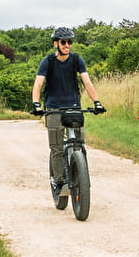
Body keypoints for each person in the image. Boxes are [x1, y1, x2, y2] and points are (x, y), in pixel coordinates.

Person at [31, 26, 105, 197]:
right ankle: (59, 182)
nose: (67, 45)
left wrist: (97, 102)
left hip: (73, 107)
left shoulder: (77, 60)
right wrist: (36, 104)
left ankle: (81, 177)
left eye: (70, 41)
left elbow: (87, 82)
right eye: (64, 42)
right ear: (56, 43)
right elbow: (38, 84)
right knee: (57, 148)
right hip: (53, 108)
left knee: (79, 144)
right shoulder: (47, 62)